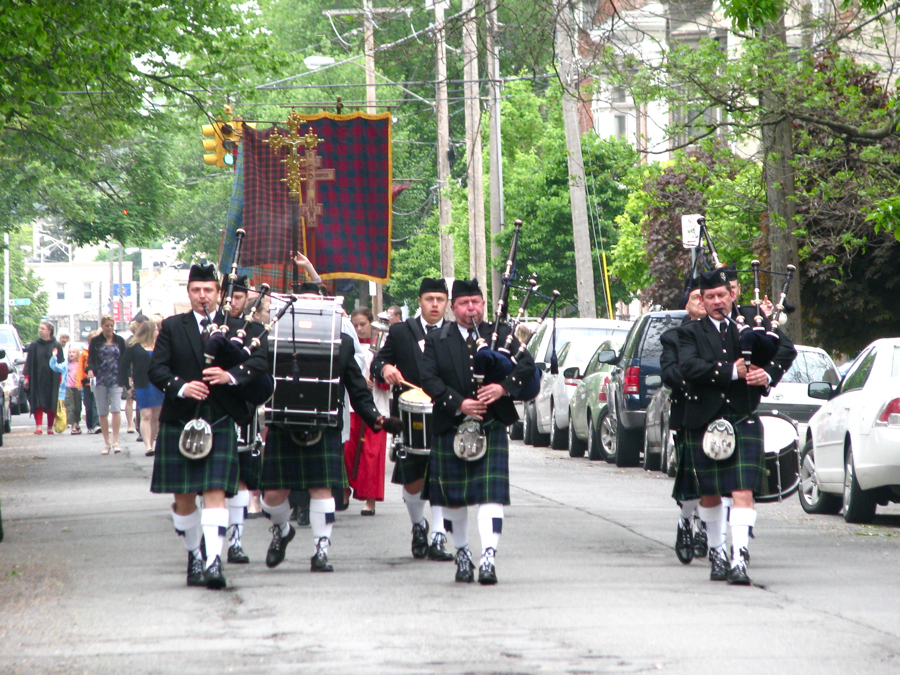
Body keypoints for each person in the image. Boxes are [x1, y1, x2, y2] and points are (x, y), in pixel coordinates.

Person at [258, 283, 400, 573]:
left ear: (324, 306)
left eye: (315, 301)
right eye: (304, 301)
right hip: (284, 422)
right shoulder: (273, 337)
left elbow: (357, 388)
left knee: (322, 489)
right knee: (272, 497)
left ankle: (321, 550)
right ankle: (282, 531)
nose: (310, 306)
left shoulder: (342, 342)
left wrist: (376, 418)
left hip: (324, 423)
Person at [148, 262, 268, 590]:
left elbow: (260, 363)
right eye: (196, 290)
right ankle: (194, 556)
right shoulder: (173, 327)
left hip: (220, 418)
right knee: (184, 499)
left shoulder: (240, 327)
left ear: (219, 293)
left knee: (216, 492)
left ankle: (214, 561)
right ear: (189, 293)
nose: (202, 295)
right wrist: (183, 387)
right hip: (181, 417)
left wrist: (230, 376)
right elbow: (156, 370)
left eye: (208, 290)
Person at [675, 269, 796, 585]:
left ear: (731, 296)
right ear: (703, 300)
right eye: (710, 297)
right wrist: (731, 371)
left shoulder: (750, 324)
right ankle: (717, 554)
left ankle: (739, 559)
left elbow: (785, 349)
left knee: (743, 490)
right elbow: (688, 367)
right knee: (710, 493)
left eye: (722, 295)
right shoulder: (690, 332)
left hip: (743, 416)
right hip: (705, 420)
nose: (717, 302)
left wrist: (767, 374)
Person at [419, 279, 536, 585]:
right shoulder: (437, 338)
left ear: (483, 304)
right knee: (454, 499)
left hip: (491, 425)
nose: (471, 308)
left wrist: (503, 388)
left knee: (490, 496)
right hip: (451, 424)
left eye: (476, 302)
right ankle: (462, 553)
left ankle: (488, 557)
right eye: (463, 303)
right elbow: (428, 378)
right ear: (453, 307)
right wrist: (459, 403)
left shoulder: (501, 334)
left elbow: (527, 366)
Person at [372, 277, 455, 561]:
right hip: (410, 416)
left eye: (440, 299)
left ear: (447, 303)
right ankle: (419, 525)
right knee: (413, 481)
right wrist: (385, 368)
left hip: (444, 412)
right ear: (420, 301)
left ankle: (438, 537)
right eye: (429, 299)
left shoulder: (454, 333)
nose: (435, 304)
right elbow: (377, 362)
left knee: (442, 478)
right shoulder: (401, 331)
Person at [663, 279, 712, 565]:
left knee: (713, 480)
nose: (703, 302)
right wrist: (696, 383)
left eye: (706, 297)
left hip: (719, 414)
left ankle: (705, 528)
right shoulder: (673, 337)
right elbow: (669, 372)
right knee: (693, 477)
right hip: (688, 414)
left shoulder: (723, 332)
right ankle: (685, 522)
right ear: (687, 305)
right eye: (696, 298)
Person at [344, 306, 389, 516]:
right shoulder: (347, 346)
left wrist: (377, 379)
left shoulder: (382, 347)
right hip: (351, 407)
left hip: (376, 407)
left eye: (363, 324)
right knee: (348, 452)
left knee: (371, 455)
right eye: (355, 325)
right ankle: (344, 490)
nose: (359, 329)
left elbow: (390, 378)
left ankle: (370, 499)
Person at [120, 320, 164, 457]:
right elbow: (123, 365)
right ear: (149, 331)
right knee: (146, 414)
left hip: (158, 383)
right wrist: (127, 385)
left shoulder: (160, 347)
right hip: (142, 383)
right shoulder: (134, 347)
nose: (158, 331)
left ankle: (152, 442)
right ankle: (148, 446)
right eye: (156, 329)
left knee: (156, 416)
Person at [87, 316, 128, 454]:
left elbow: (125, 360)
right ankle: (107, 442)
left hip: (116, 378)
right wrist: (90, 370)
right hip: (101, 378)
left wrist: (128, 377)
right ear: (102, 326)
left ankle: (115, 441)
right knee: (102, 411)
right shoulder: (96, 341)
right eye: (107, 326)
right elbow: (91, 359)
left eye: (111, 325)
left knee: (116, 409)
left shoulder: (119, 340)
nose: (110, 328)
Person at [23, 321, 64, 434]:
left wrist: (61, 378)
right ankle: (39, 426)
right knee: (37, 401)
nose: (40, 330)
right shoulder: (34, 345)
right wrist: (27, 377)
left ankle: (50, 427)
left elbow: (61, 362)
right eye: (39, 328)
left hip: (53, 378)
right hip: (37, 377)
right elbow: (29, 362)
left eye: (43, 329)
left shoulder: (56, 345)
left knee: (52, 401)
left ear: (49, 331)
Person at [64, 344, 83, 434]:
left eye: (73, 352)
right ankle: (73, 426)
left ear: (78, 354)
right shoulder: (67, 365)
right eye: (70, 352)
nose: (71, 354)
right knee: (70, 406)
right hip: (68, 387)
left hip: (77, 387)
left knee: (78, 407)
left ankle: (77, 423)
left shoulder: (80, 365)